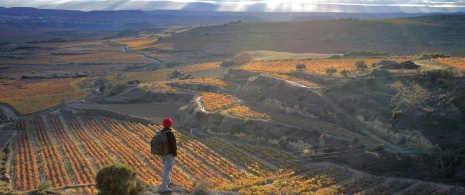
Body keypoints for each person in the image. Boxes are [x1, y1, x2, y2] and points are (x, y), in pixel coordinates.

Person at [160, 117, 177, 193]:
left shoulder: (161, 133)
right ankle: (164, 187)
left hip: (163, 153)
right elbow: (173, 145)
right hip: (169, 154)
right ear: (170, 124)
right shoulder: (170, 133)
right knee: (167, 169)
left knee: (166, 168)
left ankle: (168, 181)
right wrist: (174, 154)